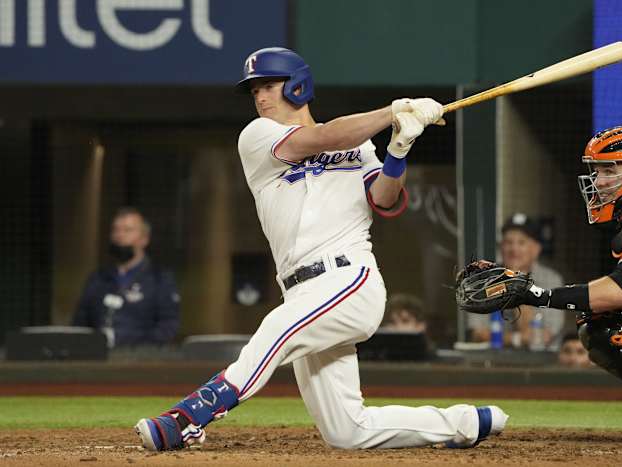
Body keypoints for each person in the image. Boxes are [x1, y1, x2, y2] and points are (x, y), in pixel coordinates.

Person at [134, 47, 507, 451]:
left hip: (350, 280)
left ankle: (187, 418)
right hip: (301, 292)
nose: (260, 97)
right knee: (348, 431)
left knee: (275, 330)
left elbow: (383, 199)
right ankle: (466, 423)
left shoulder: (361, 148)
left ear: (297, 87)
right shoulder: (257, 137)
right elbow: (323, 137)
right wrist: (393, 112)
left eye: (269, 86)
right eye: (255, 89)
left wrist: (398, 151)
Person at [498, 124, 622, 443]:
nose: (599, 180)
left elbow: (620, 292)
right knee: (601, 320)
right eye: (597, 170)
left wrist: (534, 293)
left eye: (609, 169)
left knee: (608, 322)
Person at [72, 207, 180, 348]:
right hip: (98, 358)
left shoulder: (160, 279)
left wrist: (130, 344)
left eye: (127, 230)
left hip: (141, 359)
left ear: (144, 239)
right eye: (116, 230)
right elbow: (79, 322)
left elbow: (167, 327)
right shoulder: (98, 278)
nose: (119, 236)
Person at [468, 213, 565, 350]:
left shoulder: (552, 280)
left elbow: (545, 336)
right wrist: (517, 339)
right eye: (508, 242)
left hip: (541, 362)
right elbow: (477, 333)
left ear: (536, 249)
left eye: (521, 243)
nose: (514, 249)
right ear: (501, 247)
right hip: (492, 361)